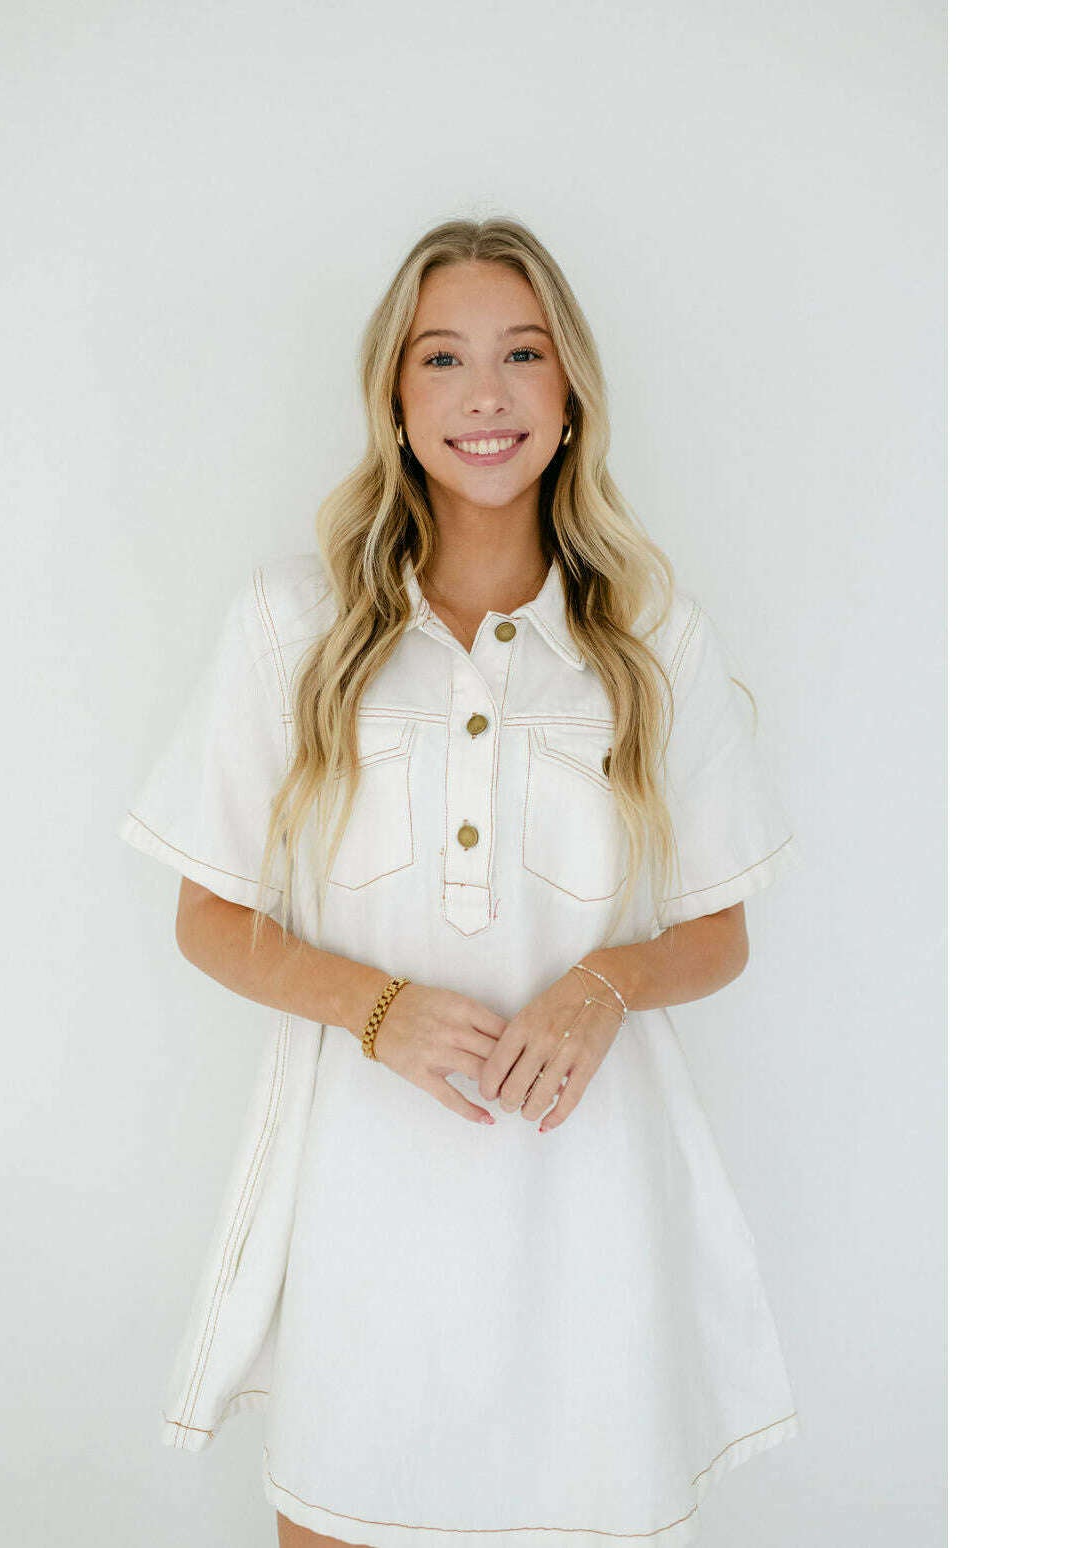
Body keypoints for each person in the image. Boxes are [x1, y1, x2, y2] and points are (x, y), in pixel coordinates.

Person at [119, 217, 802, 1548]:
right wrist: (373, 1007)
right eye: (442, 357)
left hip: (589, 1202)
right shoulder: (292, 624)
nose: (485, 393)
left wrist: (607, 983)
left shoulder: (651, 636)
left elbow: (719, 931)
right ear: (394, 396)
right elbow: (208, 912)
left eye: (522, 354)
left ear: (570, 392)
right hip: (365, 1202)